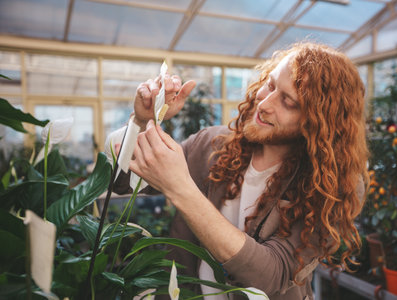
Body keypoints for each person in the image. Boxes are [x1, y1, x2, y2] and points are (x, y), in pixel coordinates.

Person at [108, 42, 369, 300]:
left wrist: (181, 189)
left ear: (318, 121)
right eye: (270, 84)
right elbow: (122, 183)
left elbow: (271, 276)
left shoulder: (331, 183)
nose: (264, 103)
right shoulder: (211, 145)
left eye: (287, 101)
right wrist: (144, 120)